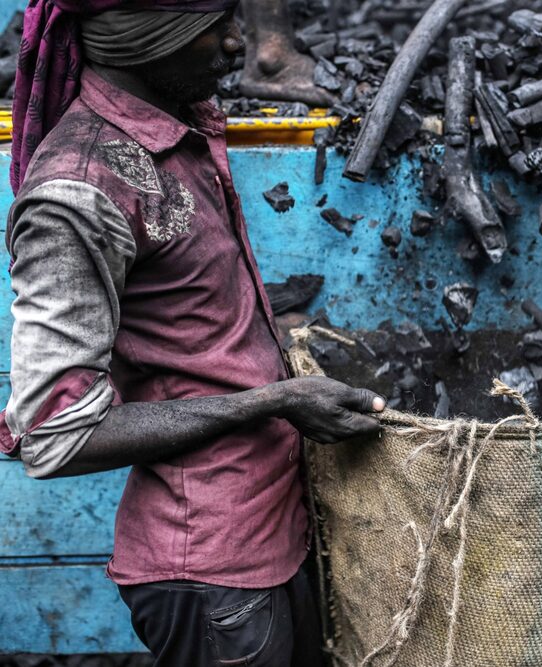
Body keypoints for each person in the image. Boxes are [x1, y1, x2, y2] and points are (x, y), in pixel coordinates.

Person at [0, 2, 384, 665]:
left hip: (269, 535)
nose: (239, 44)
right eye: (215, 26)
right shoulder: (79, 191)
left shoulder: (179, 129)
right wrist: (274, 402)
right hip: (209, 573)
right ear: (145, 39)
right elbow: (53, 434)